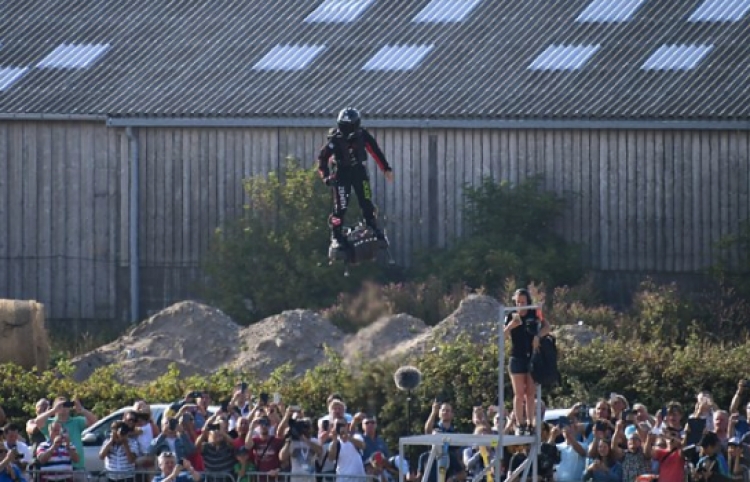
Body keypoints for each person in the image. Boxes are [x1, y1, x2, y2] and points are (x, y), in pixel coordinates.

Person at [317, 107, 394, 261]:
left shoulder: (362, 136)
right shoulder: (335, 140)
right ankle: (337, 235)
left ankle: (372, 226)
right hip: (341, 174)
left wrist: (385, 168)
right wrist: (326, 177)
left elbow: (375, 151)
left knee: (366, 201)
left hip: (359, 172)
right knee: (340, 207)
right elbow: (322, 158)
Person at [503, 288, 551, 435]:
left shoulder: (534, 312)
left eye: (523, 302)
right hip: (517, 357)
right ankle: (520, 423)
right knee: (519, 393)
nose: (520, 305)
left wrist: (538, 336)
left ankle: (530, 422)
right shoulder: (511, 315)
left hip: (531, 357)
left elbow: (547, 327)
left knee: (530, 393)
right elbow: (502, 335)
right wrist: (512, 325)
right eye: (517, 302)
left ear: (527, 301)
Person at [34, 397, 97, 471]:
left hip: (77, 465)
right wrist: (53, 410)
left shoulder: (76, 421)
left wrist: (82, 410)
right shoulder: (50, 423)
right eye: (60, 405)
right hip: (55, 466)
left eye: (66, 405)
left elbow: (94, 421)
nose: (64, 407)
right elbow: (37, 422)